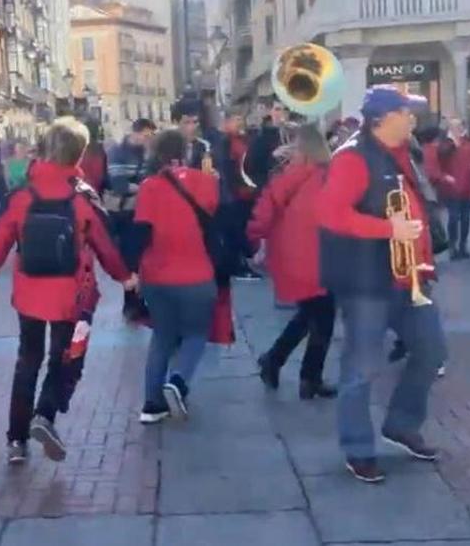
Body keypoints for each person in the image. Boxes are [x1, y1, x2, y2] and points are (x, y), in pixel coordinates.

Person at [0, 118, 134, 464]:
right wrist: (125, 277)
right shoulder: (82, 198)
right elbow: (105, 244)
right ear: (78, 154)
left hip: (29, 293)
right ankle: (45, 415)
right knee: (65, 358)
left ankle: (16, 440)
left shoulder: (21, 196)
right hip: (70, 295)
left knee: (27, 360)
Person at [316, 87, 447, 484]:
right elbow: (330, 214)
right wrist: (388, 227)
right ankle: (358, 448)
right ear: (383, 118)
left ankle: (402, 424)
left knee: (432, 351)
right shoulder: (353, 159)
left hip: (410, 276)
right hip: (368, 280)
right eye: (406, 112)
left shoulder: (404, 154)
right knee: (361, 368)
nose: (412, 119)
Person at [131, 129, 220, 424]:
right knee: (196, 333)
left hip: (157, 276)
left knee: (162, 336)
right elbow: (220, 216)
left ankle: (151, 404)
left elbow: (141, 233)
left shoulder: (148, 187)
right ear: (186, 151)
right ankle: (179, 381)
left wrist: (130, 272)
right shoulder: (206, 182)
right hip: (197, 273)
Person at [249, 125, 337, 400]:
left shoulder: (287, 177)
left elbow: (263, 212)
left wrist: (254, 239)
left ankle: (280, 364)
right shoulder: (329, 176)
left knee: (311, 315)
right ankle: (302, 374)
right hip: (319, 256)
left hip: (291, 256)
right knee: (321, 316)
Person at [106, 119, 157, 320]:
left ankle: (138, 302)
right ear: (135, 133)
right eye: (146, 136)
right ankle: (132, 305)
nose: (148, 140)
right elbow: (120, 185)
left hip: (141, 211)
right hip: (124, 213)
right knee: (131, 260)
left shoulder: (147, 153)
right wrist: (147, 187)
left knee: (140, 259)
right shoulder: (118, 153)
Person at [425, 118, 470, 260]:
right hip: (451, 187)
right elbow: (440, 157)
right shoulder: (444, 144)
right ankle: (453, 245)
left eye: (459, 126)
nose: (457, 129)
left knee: (466, 218)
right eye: (454, 126)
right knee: (454, 217)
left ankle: (463, 245)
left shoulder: (469, 143)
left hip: (467, 186)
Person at [219, 105, 261, 281]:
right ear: (227, 122)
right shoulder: (224, 142)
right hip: (233, 193)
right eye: (236, 119)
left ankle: (243, 261)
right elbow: (226, 167)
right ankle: (237, 264)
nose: (240, 122)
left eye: (240, 118)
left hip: (248, 191)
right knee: (235, 230)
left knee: (244, 228)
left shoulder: (246, 139)